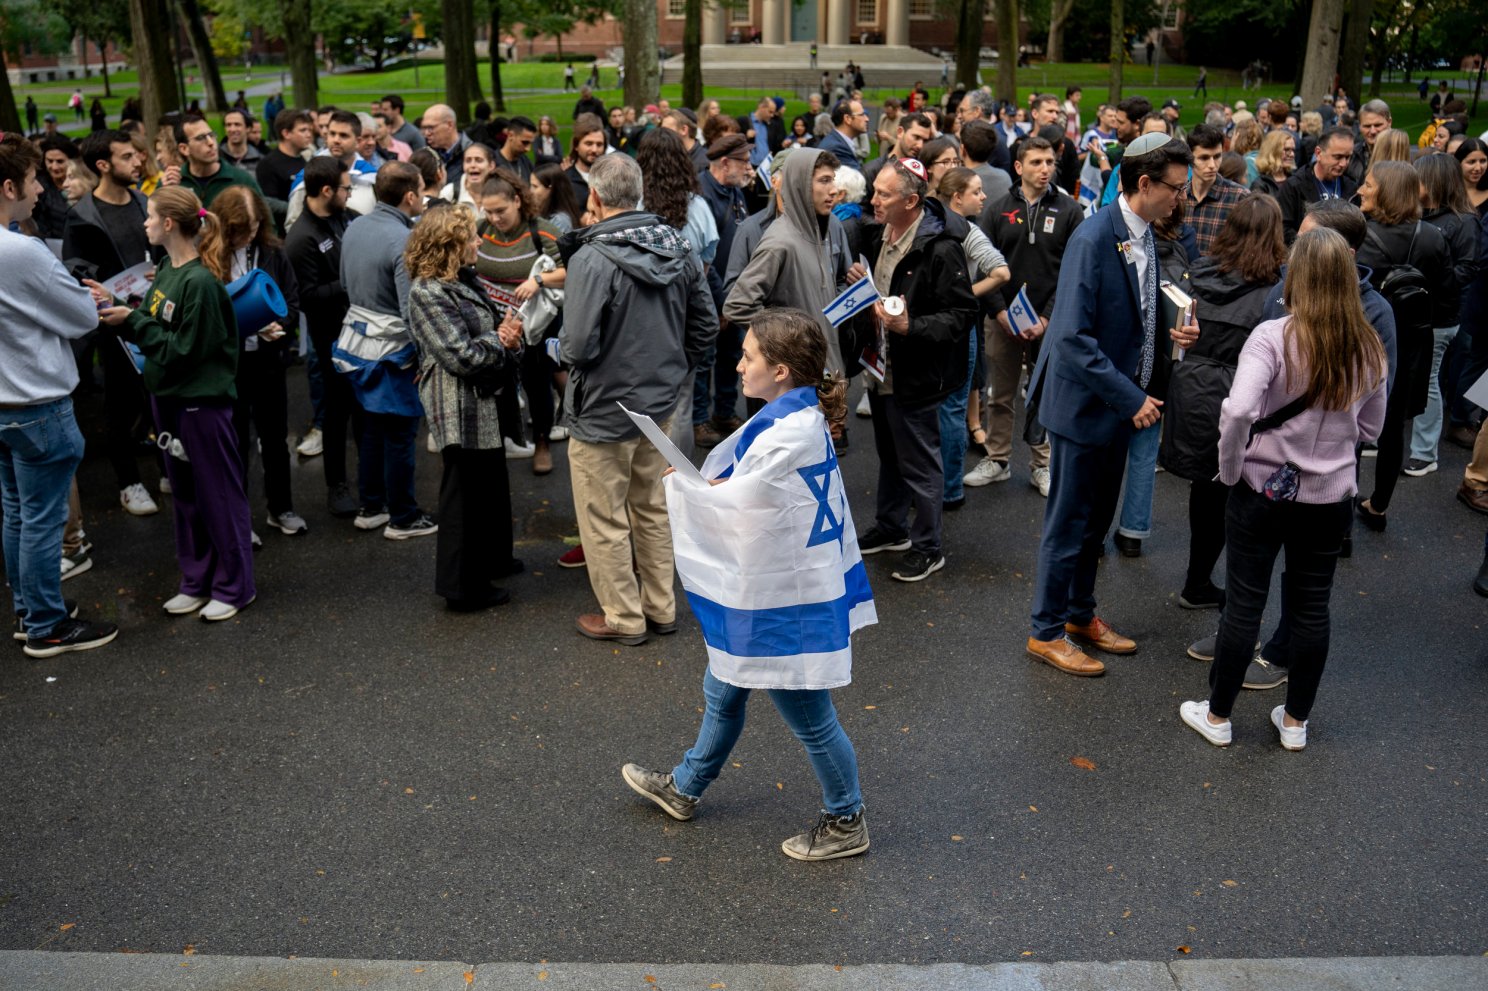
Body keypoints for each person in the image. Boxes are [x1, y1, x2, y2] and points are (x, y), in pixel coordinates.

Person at [621, 308, 873, 862]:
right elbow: (756, 491)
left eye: (749, 356)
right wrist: (709, 484)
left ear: (780, 370)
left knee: (809, 716)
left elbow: (743, 501)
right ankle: (684, 787)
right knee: (724, 684)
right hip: (782, 587)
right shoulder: (795, 419)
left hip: (785, 600)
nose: (738, 366)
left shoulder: (789, 431)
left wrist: (692, 491)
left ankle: (847, 819)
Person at [1179, 228, 1388, 750]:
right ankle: (1295, 722)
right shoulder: (1367, 345)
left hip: (1262, 489)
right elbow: (1373, 429)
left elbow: (1239, 411)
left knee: (1245, 602)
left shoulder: (1273, 337)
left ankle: (1219, 715)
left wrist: (1230, 470)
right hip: (1330, 494)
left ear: (1296, 277)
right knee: (1312, 606)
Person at [1024, 133, 1199, 677]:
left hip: (1122, 408)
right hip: (1088, 410)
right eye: (1177, 187)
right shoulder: (1094, 236)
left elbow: (1136, 312)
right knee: (1069, 523)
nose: (1183, 197)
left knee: (1095, 524)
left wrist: (1175, 334)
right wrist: (1132, 399)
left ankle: (1080, 615)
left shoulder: (1144, 232)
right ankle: (1046, 630)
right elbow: (1073, 338)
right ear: (1144, 184)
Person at [558, 153, 717, 645]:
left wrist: (555, 348)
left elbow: (578, 346)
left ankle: (625, 618)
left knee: (604, 517)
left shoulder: (591, 258)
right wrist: (671, 371)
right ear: (639, 194)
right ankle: (661, 607)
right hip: (659, 403)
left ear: (595, 198)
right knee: (651, 508)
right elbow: (705, 326)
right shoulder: (679, 246)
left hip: (603, 407)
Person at [93, 187, 257, 622]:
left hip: (200, 405)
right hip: (167, 402)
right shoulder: (165, 269)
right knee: (185, 497)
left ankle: (235, 586)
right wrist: (118, 310)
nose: (143, 222)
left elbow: (186, 350)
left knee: (219, 496)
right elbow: (151, 327)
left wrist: (133, 322)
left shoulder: (202, 282)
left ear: (168, 224)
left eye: (148, 215)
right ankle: (197, 580)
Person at [0, 134, 117, 656]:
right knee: (42, 520)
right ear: (8, 186)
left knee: (17, 514)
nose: (38, 191)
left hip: (4, 402)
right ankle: (47, 624)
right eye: (31, 182)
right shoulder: (21, 251)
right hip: (37, 403)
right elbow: (82, 318)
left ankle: (30, 609)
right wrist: (84, 297)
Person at [848, 157, 980, 583]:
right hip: (881, 370)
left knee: (921, 464)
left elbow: (962, 314)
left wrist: (911, 326)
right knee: (890, 454)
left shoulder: (941, 248)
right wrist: (861, 280)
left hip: (916, 374)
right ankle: (892, 529)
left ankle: (928, 548)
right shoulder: (879, 232)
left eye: (883, 195)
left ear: (911, 200)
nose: (873, 200)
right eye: (874, 191)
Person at [1162, 195, 1287, 612]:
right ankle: (1232, 592)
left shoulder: (1198, 273)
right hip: (1240, 395)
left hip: (1193, 389)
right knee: (1243, 497)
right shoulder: (1275, 293)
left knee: (1206, 492)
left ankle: (1197, 581)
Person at [403, 205, 524, 610]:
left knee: (488, 488)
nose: (479, 241)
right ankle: (462, 588)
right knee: (463, 497)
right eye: (471, 236)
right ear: (450, 245)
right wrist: (501, 341)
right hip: (459, 407)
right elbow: (461, 356)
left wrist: (504, 337)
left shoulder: (461, 279)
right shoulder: (426, 292)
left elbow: (492, 330)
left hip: (482, 402)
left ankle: (492, 561)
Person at [971, 135, 1082, 495]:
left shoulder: (1069, 210)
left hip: (1049, 321)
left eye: (1049, 162)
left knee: (1044, 393)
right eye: (1036, 162)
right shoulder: (997, 208)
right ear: (1018, 167)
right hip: (1002, 320)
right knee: (999, 394)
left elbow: (1073, 270)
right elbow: (982, 267)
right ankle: (997, 459)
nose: (1045, 169)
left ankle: (1042, 464)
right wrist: (1001, 313)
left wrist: (1049, 317)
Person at [63, 129, 165, 517]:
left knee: (157, 394)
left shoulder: (143, 202)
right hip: (111, 324)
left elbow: (162, 252)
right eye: (127, 157)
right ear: (103, 165)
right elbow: (74, 271)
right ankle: (128, 483)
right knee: (119, 402)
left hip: (150, 315)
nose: (138, 161)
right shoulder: (82, 217)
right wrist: (100, 290)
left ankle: (165, 468)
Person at [336, 161, 438, 540]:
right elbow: (410, 307)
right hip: (394, 350)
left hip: (357, 343)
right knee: (400, 433)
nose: (424, 195)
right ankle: (404, 517)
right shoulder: (403, 239)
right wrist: (425, 357)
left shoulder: (355, 226)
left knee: (372, 430)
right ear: (410, 195)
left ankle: (372, 506)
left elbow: (346, 282)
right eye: (422, 189)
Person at [199, 184, 306, 538]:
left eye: (257, 226)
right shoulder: (208, 257)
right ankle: (239, 517)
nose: (251, 235)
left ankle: (281, 508)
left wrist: (281, 325)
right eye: (243, 230)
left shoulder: (273, 252)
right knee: (235, 442)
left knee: (275, 439)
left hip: (269, 362)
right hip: (230, 365)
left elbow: (292, 301)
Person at [1353, 161, 1453, 532]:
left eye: (1369, 184)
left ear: (1388, 192)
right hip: (1409, 344)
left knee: (1348, 422)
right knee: (1393, 426)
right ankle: (1379, 506)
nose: (1361, 189)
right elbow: (1444, 296)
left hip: (1360, 340)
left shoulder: (1357, 236)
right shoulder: (1432, 236)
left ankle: (1342, 512)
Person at [473, 170, 567, 472]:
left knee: (537, 384)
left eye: (501, 210)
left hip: (534, 326)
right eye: (489, 211)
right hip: (492, 325)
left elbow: (573, 270)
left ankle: (542, 442)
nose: (495, 218)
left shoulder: (542, 231)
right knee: (497, 385)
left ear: (517, 200)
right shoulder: (481, 229)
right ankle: (506, 438)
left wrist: (539, 280)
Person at [284, 156, 360, 518]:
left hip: (361, 331)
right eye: (346, 188)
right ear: (326, 190)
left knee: (364, 410)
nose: (350, 193)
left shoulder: (347, 218)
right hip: (331, 338)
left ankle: (370, 480)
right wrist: (350, 283)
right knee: (335, 413)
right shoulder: (302, 238)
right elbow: (308, 296)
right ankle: (337, 485)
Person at [931, 166, 1009, 509]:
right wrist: (965, 296)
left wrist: (959, 294)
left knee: (933, 406)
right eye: (976, 191)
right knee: (953, 408)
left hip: (931, 325)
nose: (984, 196)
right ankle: (950, 490)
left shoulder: (928, 225)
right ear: (956, 197)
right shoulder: (968, 231)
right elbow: (1001, 272)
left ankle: (933, 485)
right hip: (962, 329)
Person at [1405, 154, 1480, 477]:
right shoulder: (1419, 216)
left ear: (1433, 182)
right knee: (1409, 378)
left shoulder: (1463, 222)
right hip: (1414, 311)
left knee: (1428, 381)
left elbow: (1467, 269)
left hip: (1440, 318)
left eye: (1419, 179)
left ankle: (1425, 452)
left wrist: (1427, 281)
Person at [286, 110, 378, 228]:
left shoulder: (371, 178)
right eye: (332, 134)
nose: (336, 140)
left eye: (343, 135)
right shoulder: (307, 177)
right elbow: (293, 224)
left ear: (358, 141)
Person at [1277, 127, 1357, 243]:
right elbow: (1284, 229)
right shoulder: (1294, 186)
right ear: (1318, 153)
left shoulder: (1351, 186)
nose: (1343, 164)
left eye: (1348, 157)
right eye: (1338, 157)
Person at [172, 113, 264, 208]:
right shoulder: (174, 182)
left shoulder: (241, 179)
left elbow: (266, 221)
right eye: (201, 138)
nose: (211, 143)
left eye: (211, 135)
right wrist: (167, 191)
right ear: (184, 149)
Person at [1185, 124, 1249, 257]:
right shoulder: (1178, 196)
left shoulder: (1239, 198)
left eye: (1217, 156)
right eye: (1204, 158)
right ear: (1190, 159)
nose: (1212, 165)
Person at [257, 109, 315, 213]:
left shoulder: (304, 160)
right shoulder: (268, 165)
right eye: (303, 130)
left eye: (310, 130)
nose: (309, 135)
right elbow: (268, 203)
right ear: (286, 133)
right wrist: (299, 209)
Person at [439, 141, 498, 218]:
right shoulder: (449, 192)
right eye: (468, 161)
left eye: (478, 160)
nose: (472, 165)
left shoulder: (502, 191)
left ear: (491, 166)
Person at [420, 104, 471, 189]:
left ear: (449, 125)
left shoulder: (473, 154)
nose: (426, 133)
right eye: (424, 128)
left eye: (431, 127)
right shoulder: (424, 154)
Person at [565, 114, 607, 210]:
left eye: (599, 144)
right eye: (589, 144)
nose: (594, 149)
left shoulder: (611, 178)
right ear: (576, 146)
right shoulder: (565, 180)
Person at [529, 162, 583, 235]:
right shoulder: (541, 212)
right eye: (531, 185)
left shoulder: (560, 221)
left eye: (535, 186)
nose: (530, 191)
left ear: (550, 189)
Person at [818, 100, 866, 173]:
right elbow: (858, 179)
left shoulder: (837, 140)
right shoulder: (836, 148)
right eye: (862, 115)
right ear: (847, 119)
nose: (866, 119)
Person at [1250, 130, 1296, 198]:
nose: (1292, 154)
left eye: (1293, 150)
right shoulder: (1260, 185)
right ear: (1273, 151)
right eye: (1287, 149)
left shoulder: (1295, 180)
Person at [494, 116, 535, 182]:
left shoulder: (525, 161)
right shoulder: (493, 162)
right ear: (510, 135)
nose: (528, 149)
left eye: (531, 143)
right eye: (525, 142)